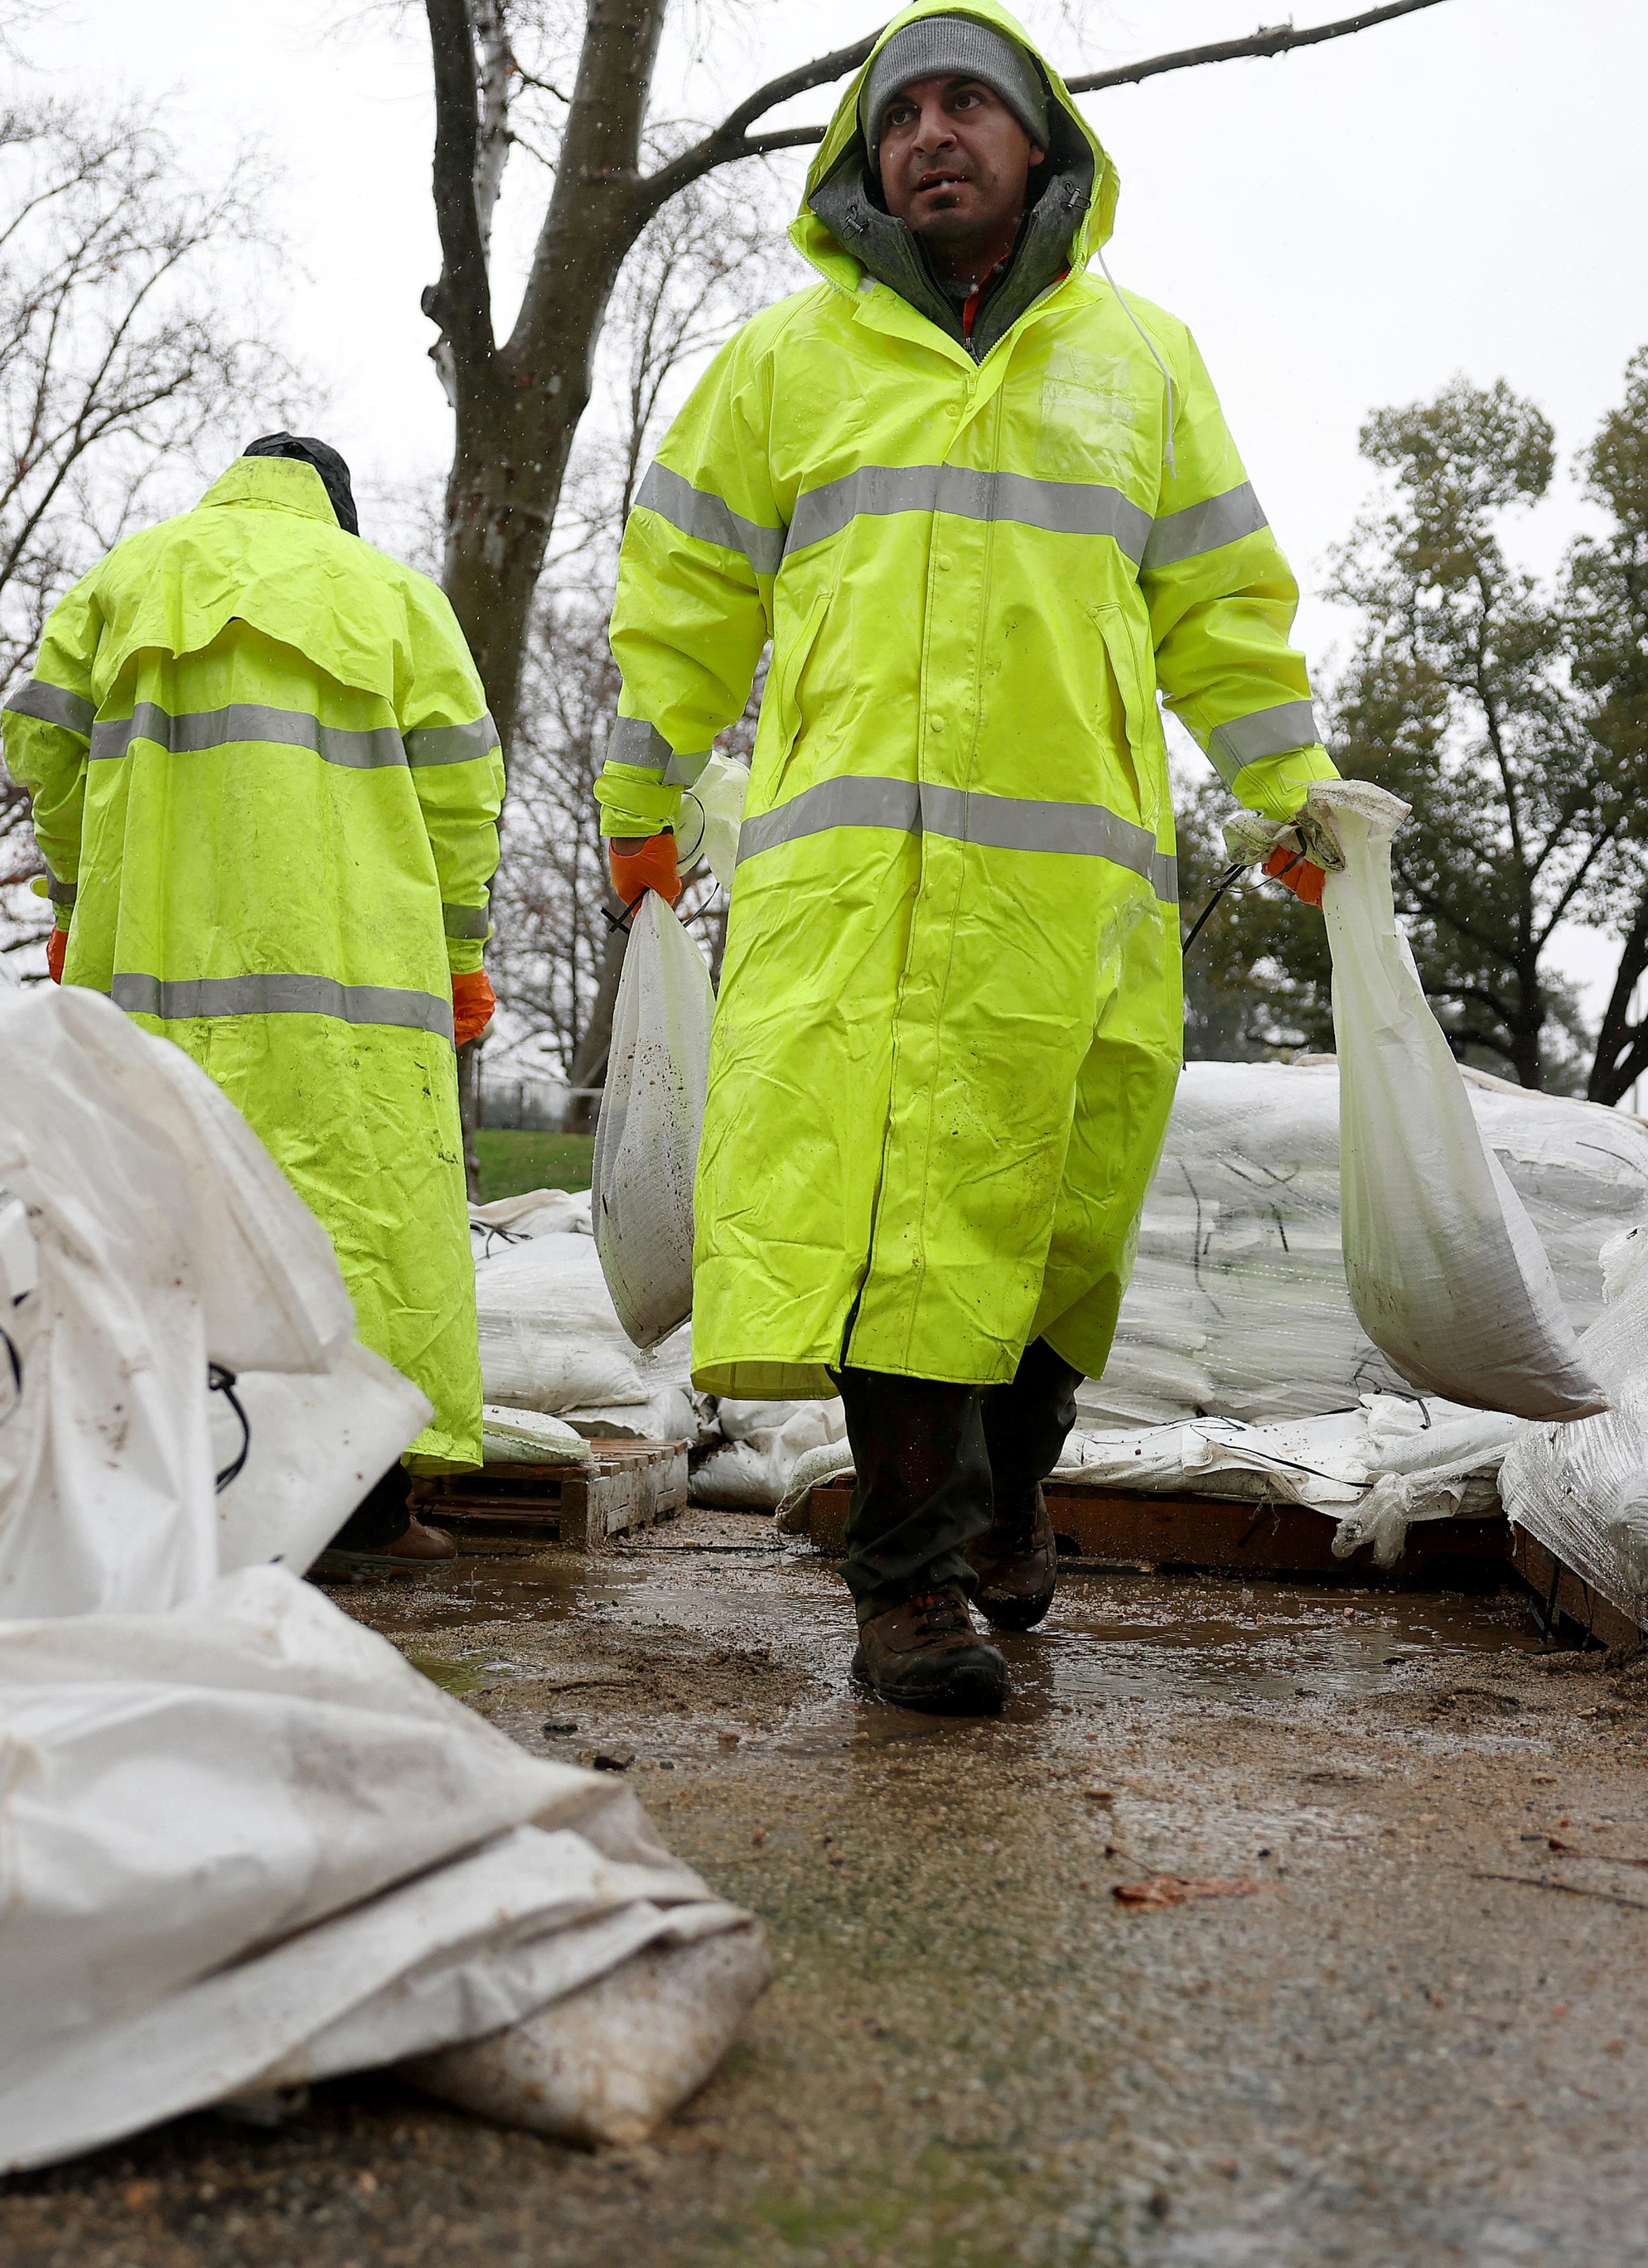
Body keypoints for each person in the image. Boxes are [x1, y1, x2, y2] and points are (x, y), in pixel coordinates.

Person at [597, 2, 1356, 1713]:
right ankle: (908, 1592)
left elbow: (1223, 610)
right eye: (899, 113)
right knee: (888, 1238)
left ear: (1036, 142)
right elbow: (684, 604)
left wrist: (1286, 791)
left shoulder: (1140, 361)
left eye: (966, 106)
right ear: (863, 157)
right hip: (852, 895)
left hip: (1063, 900)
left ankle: (1018, 1489)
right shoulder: (784, 364)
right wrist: (640, 805)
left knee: (1053, 1228)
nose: (928, 134)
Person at [4, 433, 504, 1561]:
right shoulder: (396, 599)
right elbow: (464, 798)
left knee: (157, 1214)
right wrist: (460, 950)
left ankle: (165, 1482)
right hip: (354, 992)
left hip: (154, 978)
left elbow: (46, 754)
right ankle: (366, 1501)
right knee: (360, 1220)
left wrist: (77, 902)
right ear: (338, 509)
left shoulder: (127, 580)